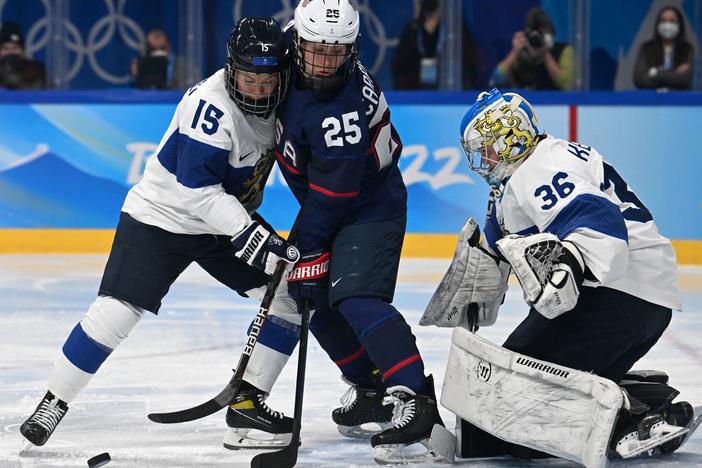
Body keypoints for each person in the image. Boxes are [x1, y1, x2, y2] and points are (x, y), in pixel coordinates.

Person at [19, 17, 300, 449]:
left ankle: (247, 406)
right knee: (116, 311)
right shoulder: (212, 106)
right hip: (163, 216)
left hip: (222, 219)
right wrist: (248, 232)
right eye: (249, 78)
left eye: (268, 80)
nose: (259, 90)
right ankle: (54, 401)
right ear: (231, 70)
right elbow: (197, 190)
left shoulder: (283, 91)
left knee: (290, 296)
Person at [223, 0, 444, 462]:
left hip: (367, 207)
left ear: (353, 48)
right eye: (316, 49)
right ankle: (371, 386)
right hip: (328, 202)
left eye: (337, 52)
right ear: (296, 38)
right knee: (313, 302)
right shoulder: (289, 50)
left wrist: (307, 245)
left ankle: (416, 400)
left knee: (357, 299)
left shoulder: (337, 110)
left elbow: (336, 195)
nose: (325, 61)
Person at [422, 88, 693, 462]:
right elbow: (501, 239)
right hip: (641, 299)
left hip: (619, 296)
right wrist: (481, 281)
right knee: (508, 391)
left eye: (485, 146)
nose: (481, 158)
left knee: (506, 401)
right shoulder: (530, 169)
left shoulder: (537, 169)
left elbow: (599, 227)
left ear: (509, 139)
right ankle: (638, 397)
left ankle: (632, 418)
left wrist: (570, 264)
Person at [392, 0, 477, 90]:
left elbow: (471, 61)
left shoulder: (455, 29)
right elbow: (399, 65)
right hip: (415, 90)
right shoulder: (412, 30)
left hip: (448, 88)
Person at [490, 7, 574, 90]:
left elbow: (568, 85)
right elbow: (496, 81)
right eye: (532, 34)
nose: (536, 38)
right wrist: (514, 51)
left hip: (555, 102)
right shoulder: (520, 53)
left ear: (551, 35)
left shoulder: (564, 51)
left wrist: (546, 54)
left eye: (541, 34)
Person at [633, 5, 693, 91]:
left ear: (680, 25)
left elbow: (684, 80)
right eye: (663, 21)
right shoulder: (646, 48)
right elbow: (639, 79)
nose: (667, 25)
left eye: (672, 21)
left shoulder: (687, 49)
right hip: (652, 100)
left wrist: (655, 73)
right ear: (658, 24)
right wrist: (674, 74)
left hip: (678, 101)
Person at [0, 21, 46, 89]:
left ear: (22, 50)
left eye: (15, 47)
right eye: (5, 48)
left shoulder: (36, 70)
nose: (10, 51)